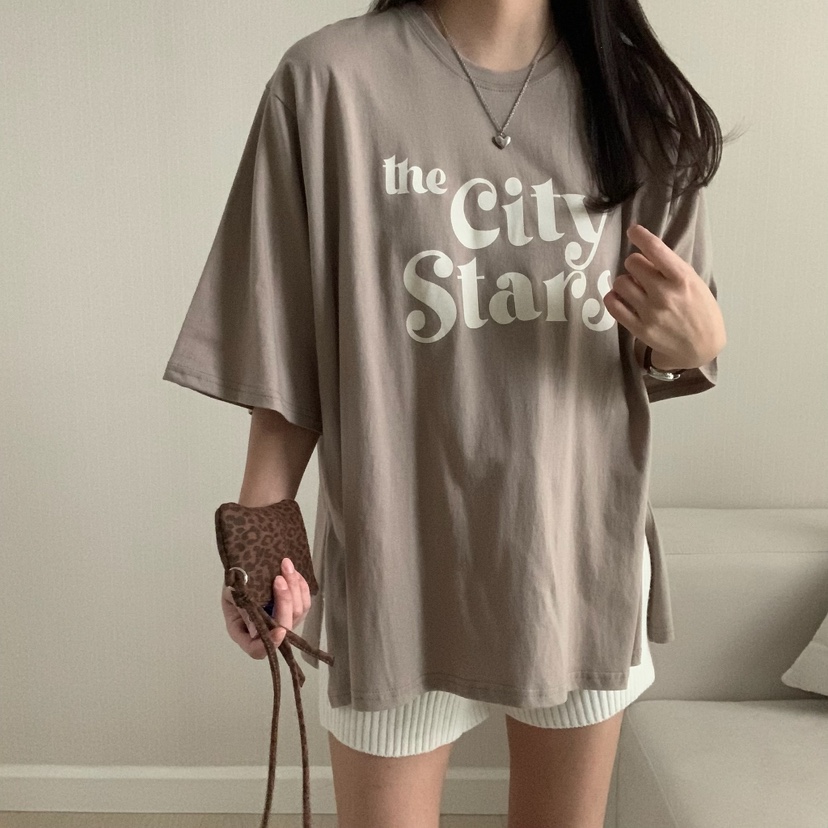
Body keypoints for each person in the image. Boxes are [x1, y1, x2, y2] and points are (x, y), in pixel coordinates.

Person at [163, 0, 731, 825]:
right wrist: (259, 537)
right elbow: (288, 332)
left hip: (575, 567)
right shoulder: (327, 84)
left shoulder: (637, 99)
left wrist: (698, 340)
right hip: (396, 572)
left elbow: (661, 343)